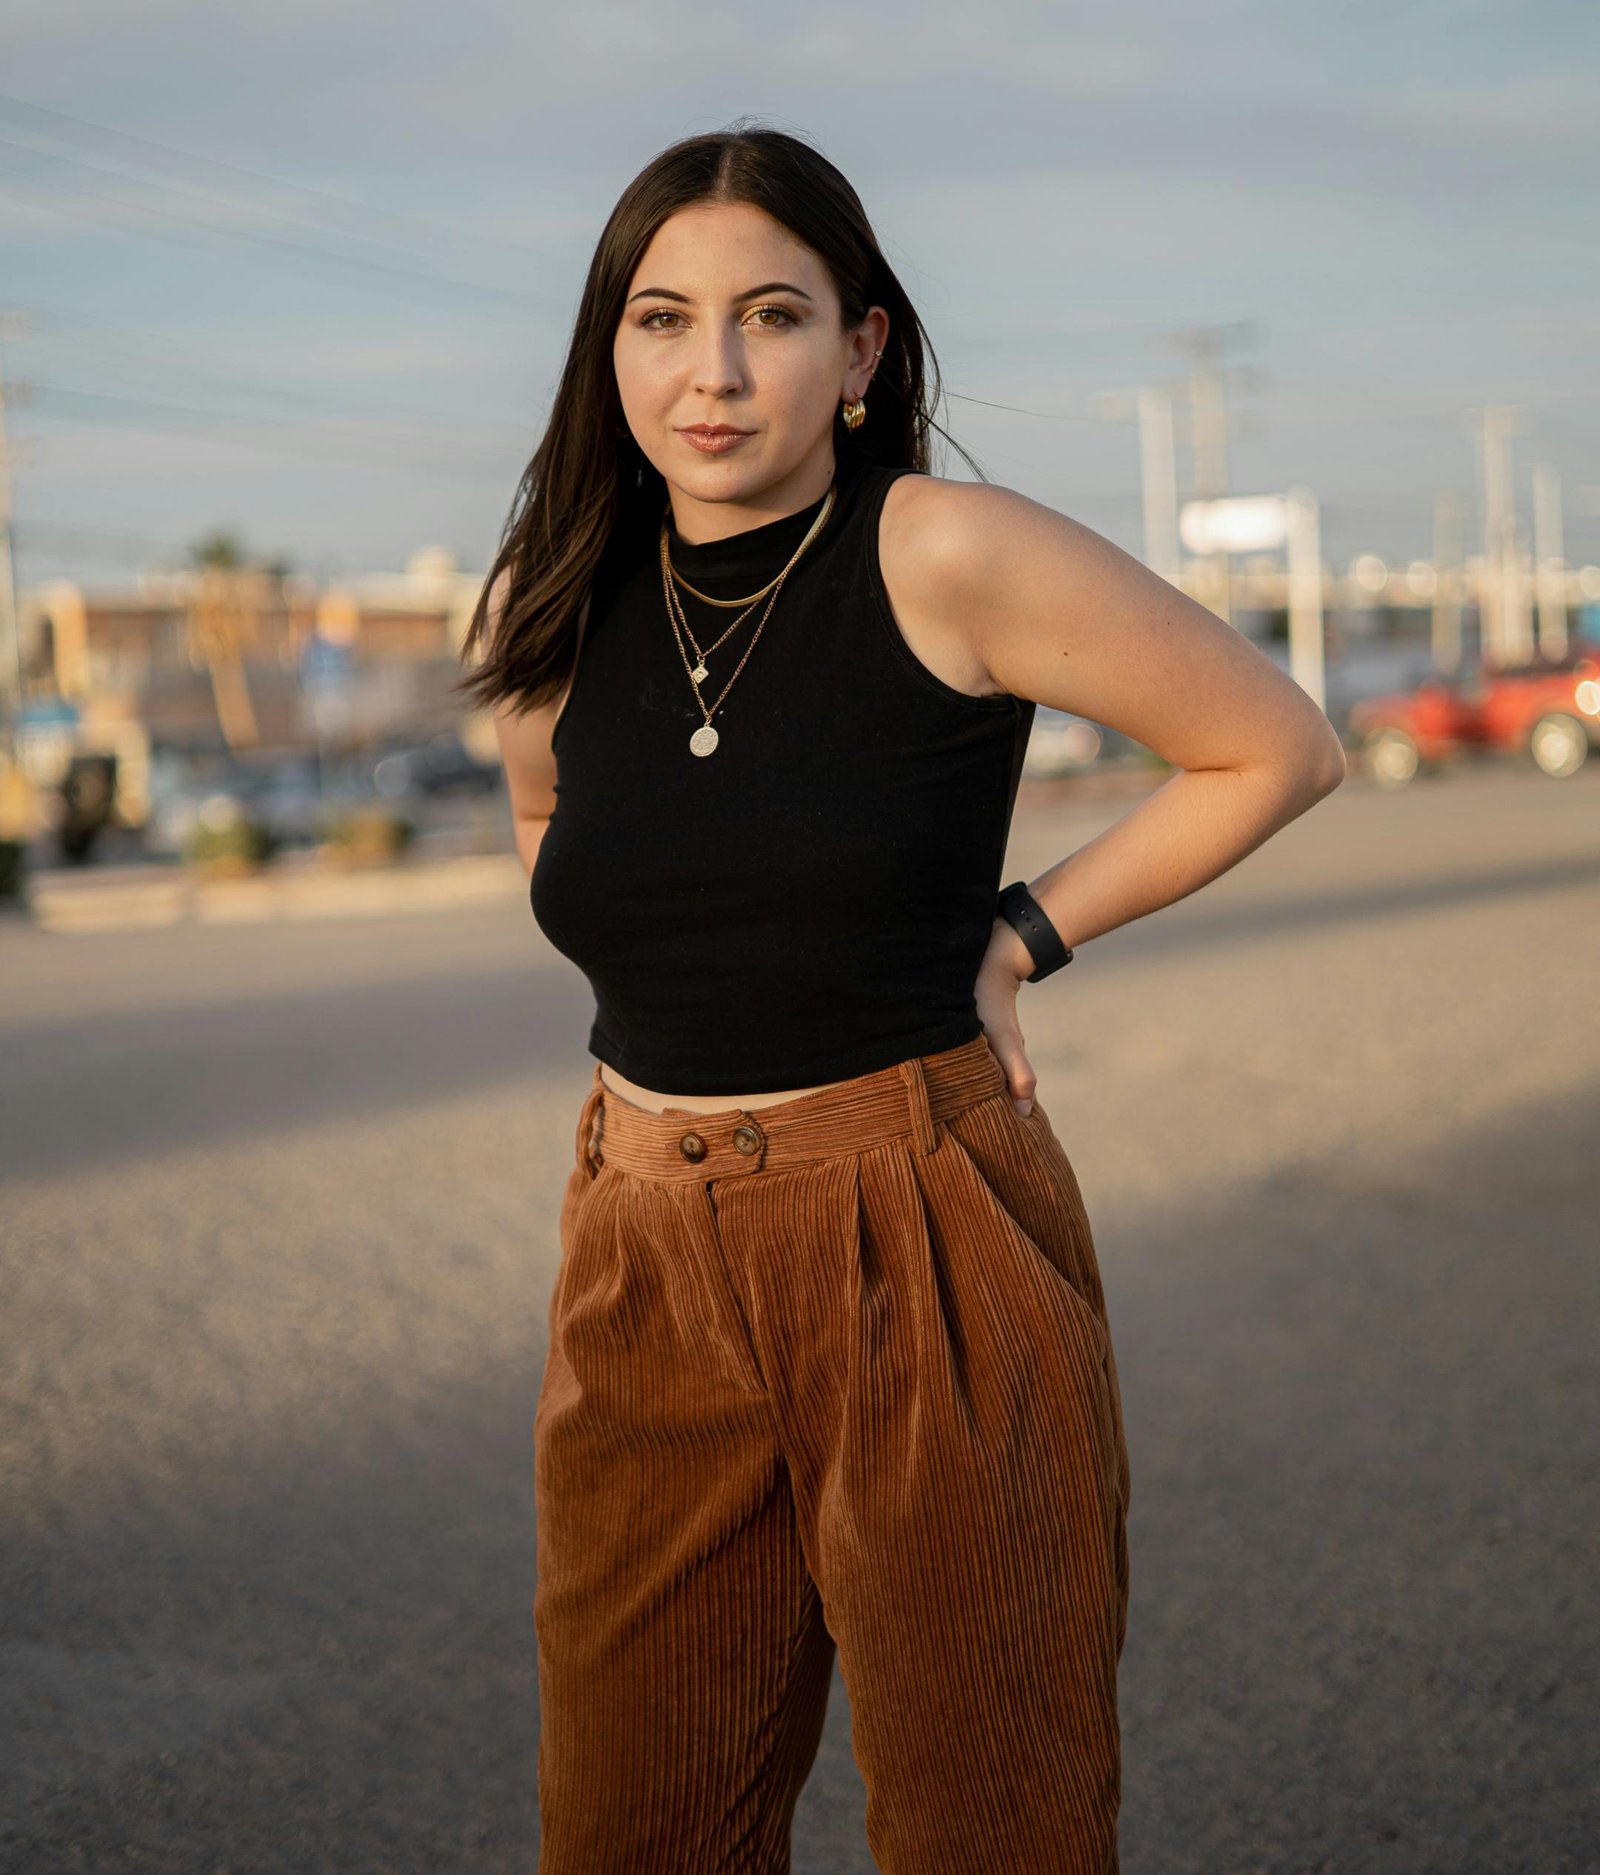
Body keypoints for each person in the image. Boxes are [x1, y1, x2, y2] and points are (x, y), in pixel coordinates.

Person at [459, 121, 1345, 1875]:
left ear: (861, 349)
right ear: (608, 349)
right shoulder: (547, 602)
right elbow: (553, 822)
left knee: (988, 1824)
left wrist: (1021, 935)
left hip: (915, 1229)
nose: (713, 373)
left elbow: (1275, 746)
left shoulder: (942, 551)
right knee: (632, 1828)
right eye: (662, 318)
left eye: (774, 316)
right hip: (639, 1243)